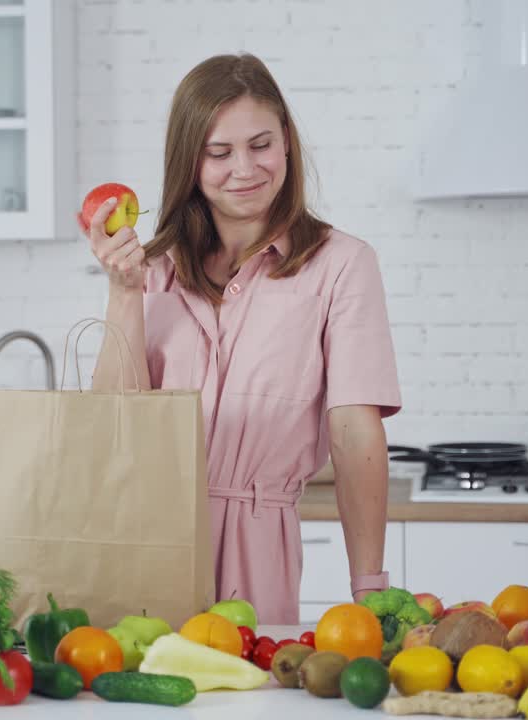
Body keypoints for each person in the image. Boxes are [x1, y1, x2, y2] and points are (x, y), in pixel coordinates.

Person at [81, 53, 401, 625]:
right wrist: (124, 293)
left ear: (287, 145)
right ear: (190, 161)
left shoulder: (342, 266)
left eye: (261, 145)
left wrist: (369, 587)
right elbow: (112, 427)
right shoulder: (150, 269)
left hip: (260, 547)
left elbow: (355, 432)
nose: (245, 169)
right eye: (219, 152)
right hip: (147, 541)